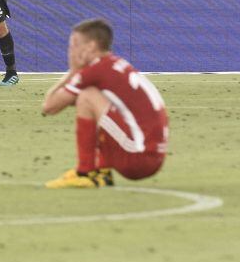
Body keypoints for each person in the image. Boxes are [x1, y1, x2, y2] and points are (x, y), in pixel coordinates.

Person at [41, 19, 169, 189]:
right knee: (90, 99)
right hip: (153, 156)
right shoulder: (115, 65)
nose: (71, 51)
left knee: (87, 96)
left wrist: (73, 72)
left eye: (74, 45)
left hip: (138, 158)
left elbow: (49, 106)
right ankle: (101, 170)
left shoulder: (94, 72)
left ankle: (85, 172)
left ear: (91, 46)